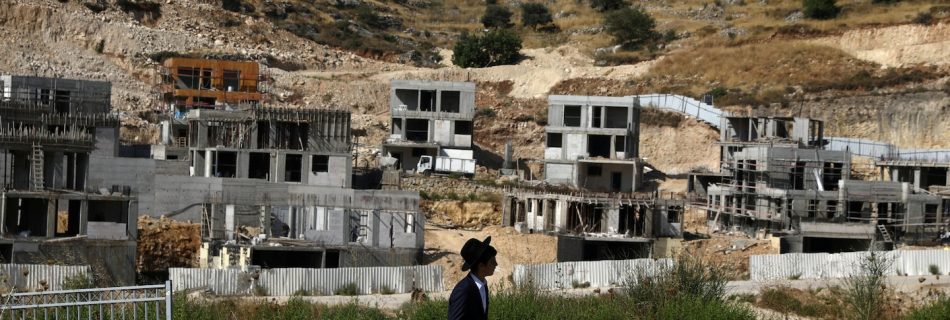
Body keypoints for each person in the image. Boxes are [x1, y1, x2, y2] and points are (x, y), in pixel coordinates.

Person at [448, 236, 498, 320]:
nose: (496, 264)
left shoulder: (483, 285)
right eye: (492, 261)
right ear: (481, 266)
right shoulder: (464, 290)